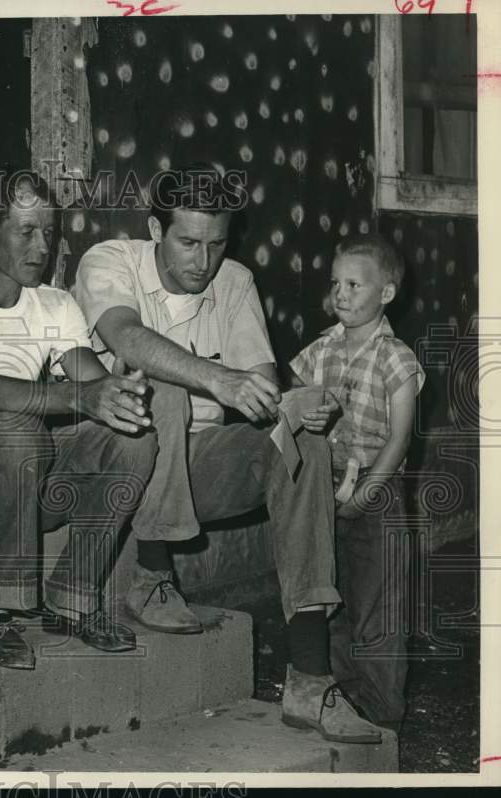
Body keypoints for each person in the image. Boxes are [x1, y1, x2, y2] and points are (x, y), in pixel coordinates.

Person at [73, 163, 384, 743]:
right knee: (156, 384)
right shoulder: (110, 261)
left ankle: (310, 677)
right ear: (155, 229)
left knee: (302, 442)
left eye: (216, 244)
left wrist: (299, 406)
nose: (203, 261)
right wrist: (218, 379)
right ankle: (151, 572)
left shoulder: (234, 280)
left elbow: (262, 387)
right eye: (188, 243)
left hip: (201, 465)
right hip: (119, 460)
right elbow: (126, 338)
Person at [0, 171, 157, 669]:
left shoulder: (54, 303)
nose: (42, 247)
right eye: (27, 231)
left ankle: (71, 599)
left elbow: (92, 383)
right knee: (17, 429)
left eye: (49, 233)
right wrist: (83, 395)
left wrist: (120, 392)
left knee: (133, 437)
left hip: (30, 474)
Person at [290, 234, 424, 733]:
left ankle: (383, 710)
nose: (340, 294)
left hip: (377, 490)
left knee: (376, 605)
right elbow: (296, 411)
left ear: (386, 293)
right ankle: (345, 697)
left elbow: (400, 439)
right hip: (324, 486)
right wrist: (309, 414)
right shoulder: (320, 349)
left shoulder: (396, 359)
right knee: (334, 599)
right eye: (335, 283)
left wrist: (365, 495)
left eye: (353, 285)